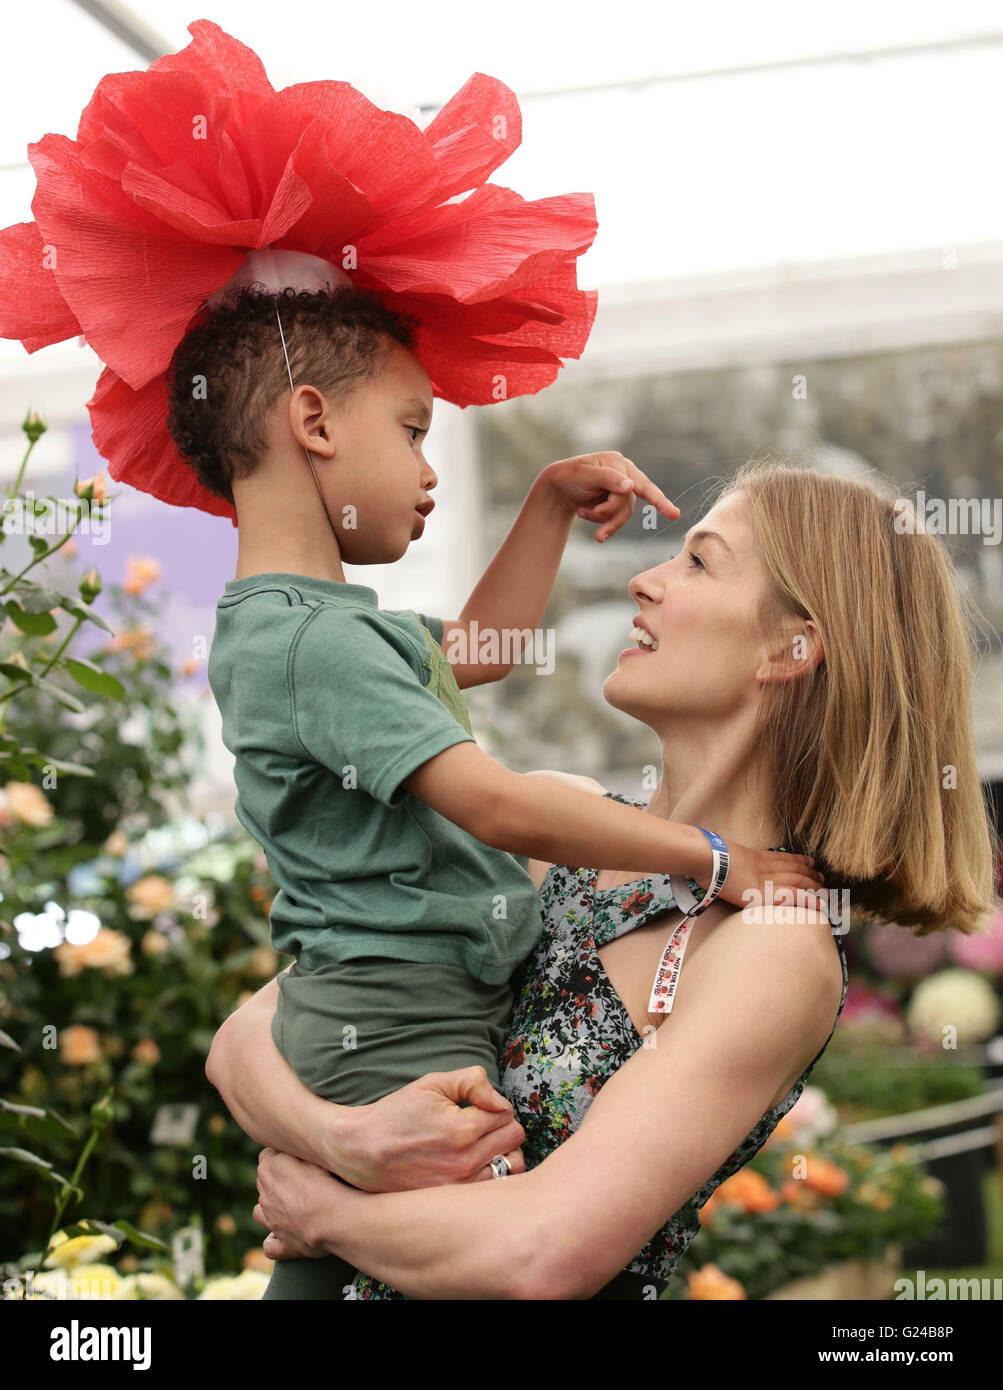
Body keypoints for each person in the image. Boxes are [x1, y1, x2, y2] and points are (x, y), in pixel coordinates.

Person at [211, 461, 1001, 1298]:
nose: (643, 579)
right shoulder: (555, 824)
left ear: (790, 646)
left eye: (698, 561)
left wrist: (324, 1213)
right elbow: (243, 1041)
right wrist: (343, 1142)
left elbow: (544, 1254)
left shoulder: (769, 949)